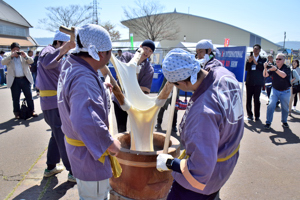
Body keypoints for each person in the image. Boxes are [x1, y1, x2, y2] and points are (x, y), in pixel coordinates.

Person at [156, 48, 244, 200]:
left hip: (201, 183)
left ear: (183, 82)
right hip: (226, 159)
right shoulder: (223, 74)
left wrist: (171, 163)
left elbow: (200, 169)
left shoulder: (203, 113)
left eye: (176, 85)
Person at [57, 24, 121, 199]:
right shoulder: (84, 79)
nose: (109, 57)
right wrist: (110, 144)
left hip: (78, 151)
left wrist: (100, 88)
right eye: (109, 53)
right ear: (100, 54)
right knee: (95, 196)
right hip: (90, 157)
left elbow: (76, 97)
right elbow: (84, 120)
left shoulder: (71, 63)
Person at [36, 31, 75, 182]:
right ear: (59, 43)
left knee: (56, 134)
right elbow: (47, 63)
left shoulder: (56, 53)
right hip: (52, 102)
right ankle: (72, 171)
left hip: (53, 101)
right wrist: (65, 49)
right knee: (62, 135)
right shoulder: (48, 50)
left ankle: (51, 166)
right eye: (67, 45)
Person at [112, 40, 155, 132]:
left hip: (136, 101)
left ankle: (133, 145)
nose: (147, 52)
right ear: (140, 47)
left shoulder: (149, 68)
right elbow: (119, 75)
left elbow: (146, 90)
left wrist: (129, 83)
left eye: (150, 51)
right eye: (146, 48)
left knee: (136, 130)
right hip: (120, 97)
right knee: (121, 128)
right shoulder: (126, 56)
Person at [1, 42, 38, 119]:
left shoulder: (23, 56)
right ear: (11, 50)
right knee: (15, 98)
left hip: (25, 79)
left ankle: (32, 111)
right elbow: (3, 62)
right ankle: (16, 113)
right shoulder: (8, 56)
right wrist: (11, 56)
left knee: (29, 96)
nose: (16, 51)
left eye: (18, 49)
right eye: (14, 50)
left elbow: (31, 61)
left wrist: (25, 56)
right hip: (14, 80)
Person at [263, 53, 291, 129]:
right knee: (271, 105)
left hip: (285, 91)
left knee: (285, 107)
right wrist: (265, 68)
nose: (277, 60)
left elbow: (283, 75)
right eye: (277, 59)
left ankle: (284, 121)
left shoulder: (287, 67)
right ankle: (268, 122)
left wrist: (276, 70)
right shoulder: (273, 67)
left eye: (279, 59)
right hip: (275, 90)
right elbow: (265, 75)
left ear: (284, 60)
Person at [245, 44, 267, 121]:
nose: (255, 50)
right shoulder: (249, 59)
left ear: (259, 50)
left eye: (257, 49)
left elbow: (262, 68)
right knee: (248, 99)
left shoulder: (263, 59)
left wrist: (255, 62)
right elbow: (246, 69)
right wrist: (249, 62)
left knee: (256, 99)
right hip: (250, 82)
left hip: (258, 83)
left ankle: (257, 115)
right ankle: (249, 114)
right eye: (254, 49)